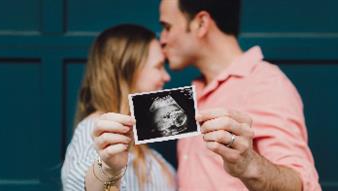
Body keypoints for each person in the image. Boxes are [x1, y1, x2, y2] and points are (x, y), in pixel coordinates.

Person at [159, 0, 322, 190]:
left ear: (201, 23)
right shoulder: (194, 93)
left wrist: (248, 165)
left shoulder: (264, 85)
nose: (162, 39)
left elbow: (302, 184)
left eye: (167, 27)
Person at [61, 24, 176, 191]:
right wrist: (108, 169)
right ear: (127, 70)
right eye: (158, 66)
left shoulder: (143, 146)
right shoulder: (96, 130)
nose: (166, 76)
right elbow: (85, 184)